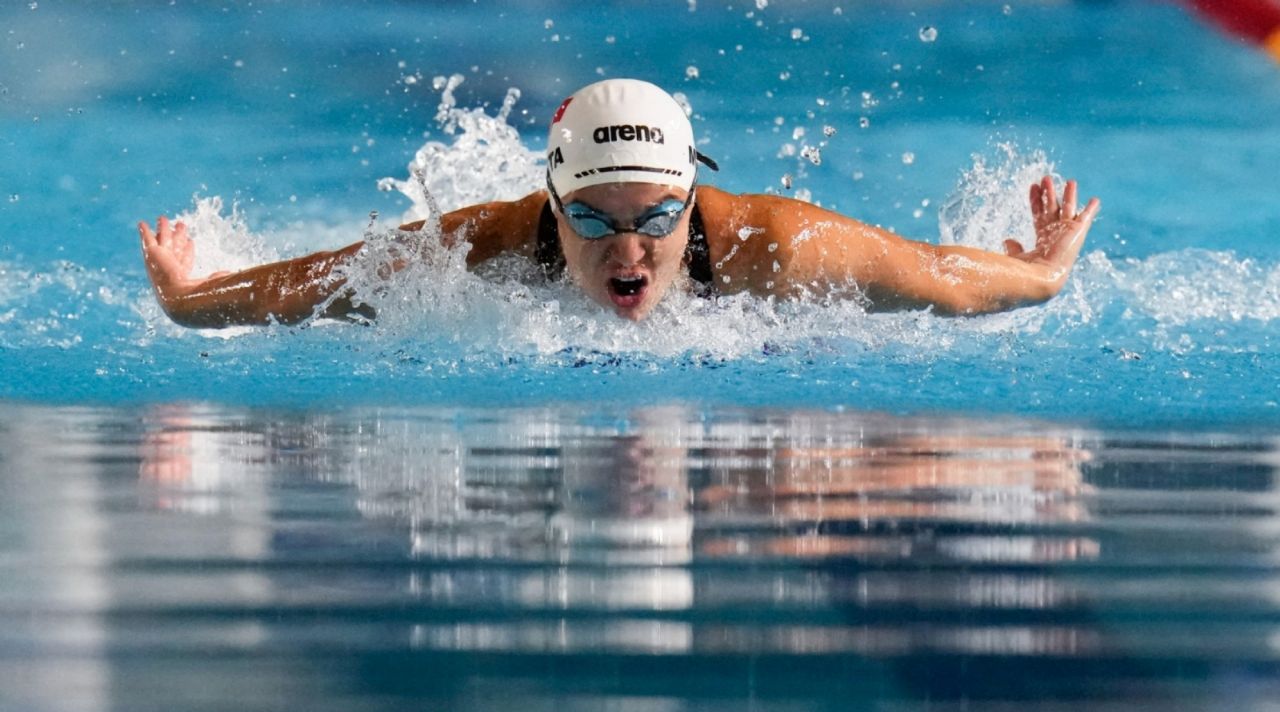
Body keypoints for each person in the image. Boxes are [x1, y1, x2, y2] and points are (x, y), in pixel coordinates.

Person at [139, 78, 1101, 328]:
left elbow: (941, 278)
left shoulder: (776, 246)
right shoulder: (492, 243)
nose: (629, 251)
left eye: (657, 219)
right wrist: (193, 298)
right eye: (595, 220)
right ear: (554, 206)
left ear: (693, 198)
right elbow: (323, 282)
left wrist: (1042, 276)